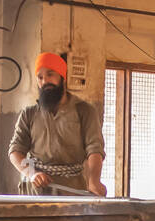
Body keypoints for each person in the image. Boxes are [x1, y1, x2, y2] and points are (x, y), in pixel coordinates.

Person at [8, 52, 106, 197]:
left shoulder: (85, 110)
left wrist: (94, 181)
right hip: (35, 193)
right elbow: (15, 151)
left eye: (50, 74)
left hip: (72, 191)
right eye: (40, 77)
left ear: (63, 77)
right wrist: (32, 173)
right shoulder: (28, 114)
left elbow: (95, 149)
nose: (45, 81)